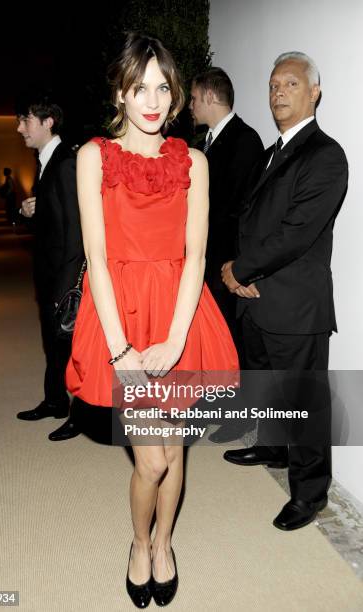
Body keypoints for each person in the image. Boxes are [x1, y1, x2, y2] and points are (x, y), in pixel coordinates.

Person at [65, 33, 239, 608]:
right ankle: (138, 543)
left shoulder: (194, 162)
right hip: (120, 314)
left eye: (163, 87)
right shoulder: (92, 156)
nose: (153, 99)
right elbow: (95, 256)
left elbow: (196, 258)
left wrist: (175, 338)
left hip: (179, 317)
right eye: (140, 86)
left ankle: (164, 544)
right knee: (152, 457)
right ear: (120, 90)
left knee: (177, 449)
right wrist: (121, 352)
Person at [222, 52, 348, 530]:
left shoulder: (326, 155)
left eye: (290, 84)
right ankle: (272, 446)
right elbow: (248, 219)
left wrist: (239, 270)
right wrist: (235, 271)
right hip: (256, 299)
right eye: (273, 85)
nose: (278, 93)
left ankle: (310, 493)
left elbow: (296, 232)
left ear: (314, 92)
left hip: (296, 306)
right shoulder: (270, 152)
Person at [190, 67, 264, 443]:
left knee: (231, 343)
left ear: (208, 95)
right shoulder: (207, 140)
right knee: (209, 340)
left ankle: (239, 417)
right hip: (205, 261)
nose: (190, 105)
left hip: (227, 263)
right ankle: (211, 406)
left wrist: (236, 267)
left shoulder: (245, 140)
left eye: (192, 98)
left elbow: (236, 209)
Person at [15, 91, 85, 442]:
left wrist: (67, 287)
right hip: (49, 273)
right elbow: (53, 218)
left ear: (47, 122)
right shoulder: (46, 160)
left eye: (25, 120)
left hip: (64, 277)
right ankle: (55, 400)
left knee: (73, 348)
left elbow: (77, 231)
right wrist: (32, 211)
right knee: (52, 343)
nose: (19, 128)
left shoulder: (66, 162)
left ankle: (80, 415)